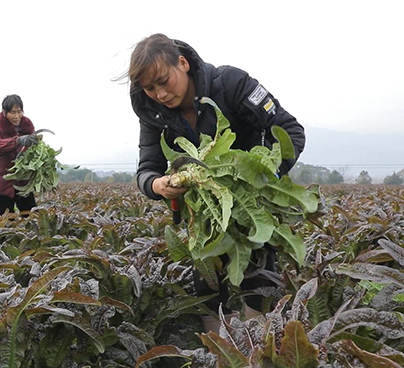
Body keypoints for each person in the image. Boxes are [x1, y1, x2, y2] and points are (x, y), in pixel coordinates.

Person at [127, 34, 306, 314]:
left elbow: (290, 132)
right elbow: (146, 169)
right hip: (203, 223)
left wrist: (259, 176)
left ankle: (260, 350)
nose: (159, 94)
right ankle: (215, 354)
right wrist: (157, 184)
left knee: (259, 290)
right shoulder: (152, 113)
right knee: (209, 296)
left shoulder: (231, 84)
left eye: (163, 81)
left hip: (251, 215)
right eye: (149, 88)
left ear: (183, 63)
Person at [0, 94, 39, 216]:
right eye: (12, 112)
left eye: (19, 112)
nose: (16, 116)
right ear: (4, 112)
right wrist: (17, 141)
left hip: (22, 181)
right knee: (6, 220)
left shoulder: (27, 126)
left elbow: (34, 149)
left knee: (32, 216)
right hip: (3, 181)